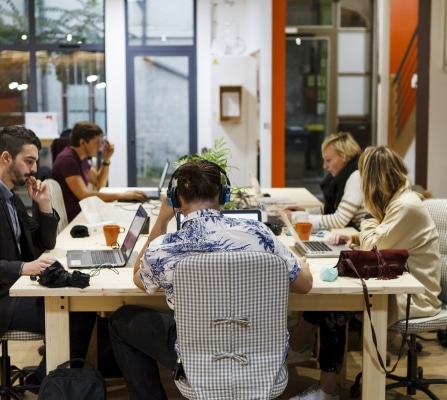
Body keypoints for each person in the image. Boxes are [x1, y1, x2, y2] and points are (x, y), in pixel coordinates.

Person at [107, 159, 313, 400]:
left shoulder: (165, 247)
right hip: (261, 358)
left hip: (198, 359)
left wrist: (162, 220)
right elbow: (304, 285)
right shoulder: (259, 233)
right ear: (224, 195)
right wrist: (301, 266)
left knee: (121, 320)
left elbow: (138, 278)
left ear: (175, 199)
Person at [288, 146, 441, 400]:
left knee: (335, 307)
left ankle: (326, 388)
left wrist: (366, 222)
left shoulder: (405, 206)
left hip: (415, 295)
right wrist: (360, 233)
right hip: (398, 282)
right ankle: (298, 346)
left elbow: (375, 244)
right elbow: (383, 237)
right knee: (328, 299)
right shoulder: (398, 200)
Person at [0, 126, 96, 385]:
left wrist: (43, 205)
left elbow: (44, 242)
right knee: (78, 313)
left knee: (81, 304)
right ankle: (45, 382)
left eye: (34, 161)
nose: (34, 169)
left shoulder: (8, 197)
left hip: (14, 289)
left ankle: (48, 378)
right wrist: (23, 268)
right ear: (6, 157)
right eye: (28, 161)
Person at [51, 121, 148, 222]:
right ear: (82, 142)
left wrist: (106, 160)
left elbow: (99, 182)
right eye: (96, 143)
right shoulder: (68, 160)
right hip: (74, 219)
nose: (100, 147)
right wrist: (123, 195)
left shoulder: (81, 157)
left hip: (83, 213)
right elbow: (84, 195)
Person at [284, 132, 367, 231]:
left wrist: (296, 218)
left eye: (328, 160)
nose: (324, 166)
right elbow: (333, 208)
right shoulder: (344, 176)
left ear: (344, 156)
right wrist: (305, 212)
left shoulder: (356, 176)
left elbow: (339, 220)